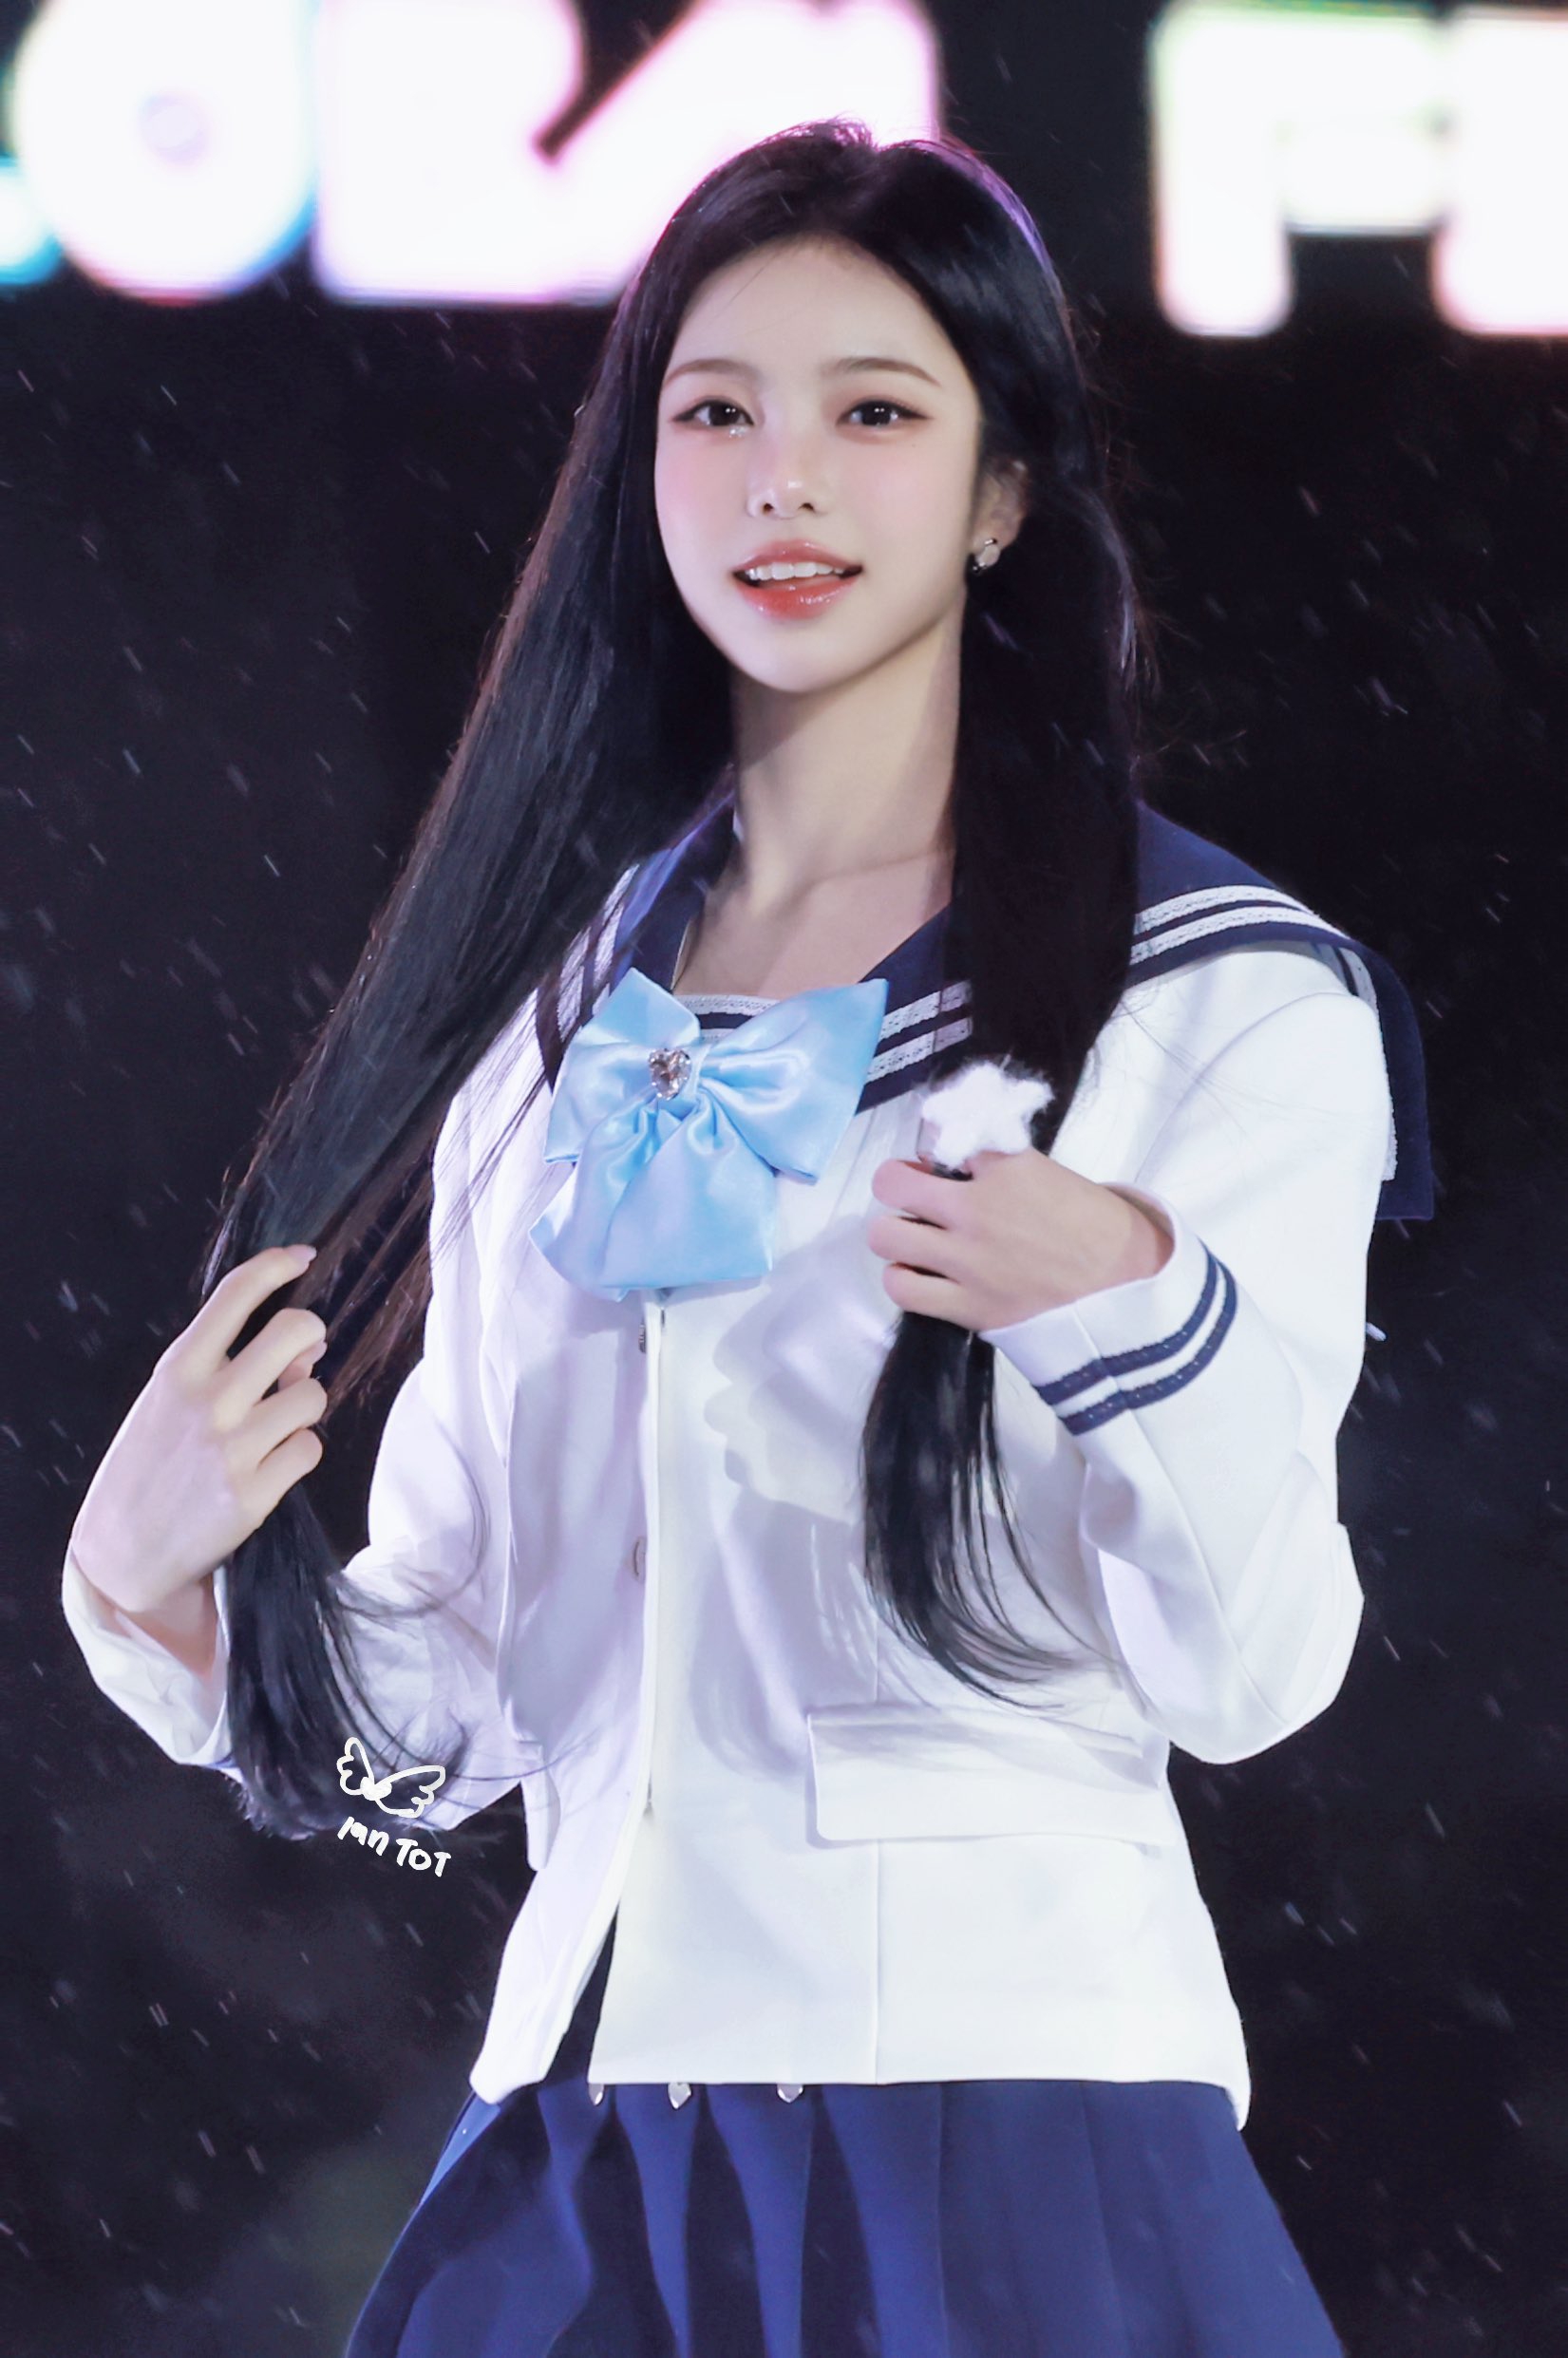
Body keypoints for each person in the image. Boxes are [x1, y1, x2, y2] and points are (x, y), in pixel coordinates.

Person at [60, 119, 1431, 2358]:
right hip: (590, 2137)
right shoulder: (555, 1022)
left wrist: (1129, 1307)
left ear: (1000, 494)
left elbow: (1254, 1674)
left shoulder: (1219, 996)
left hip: (1009, 2123)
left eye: (872, 412)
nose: (782, 478)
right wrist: (161, 1599)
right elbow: (473, 1716)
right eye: (716, 413)